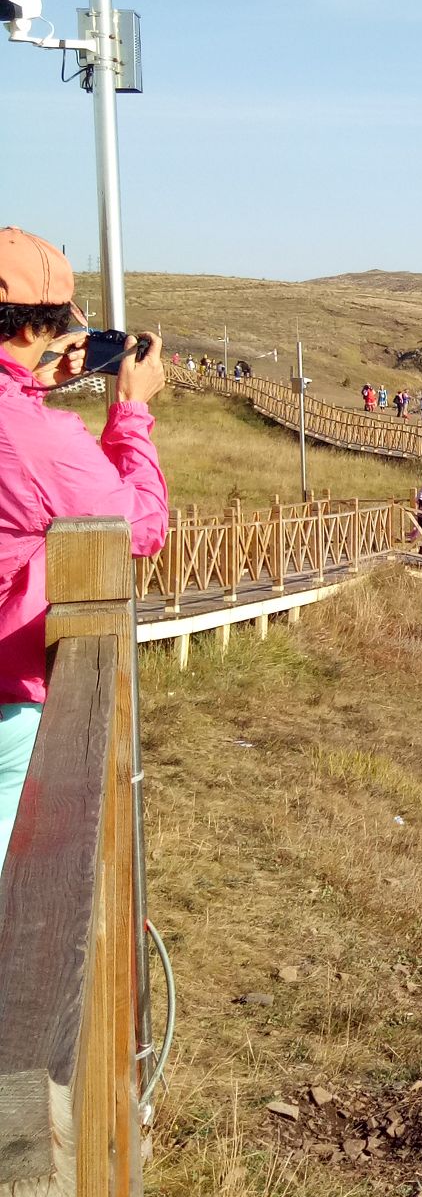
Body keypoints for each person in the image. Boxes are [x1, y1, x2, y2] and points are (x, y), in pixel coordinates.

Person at [0, 228, 169, 872]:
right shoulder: (36, 434)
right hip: (9, 686)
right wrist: (130, 410)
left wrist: (32, 378)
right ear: (35, 326)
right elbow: (139, 525)